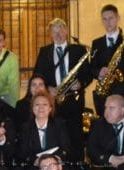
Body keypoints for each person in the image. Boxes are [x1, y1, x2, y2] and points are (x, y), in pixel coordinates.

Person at [33, 18, 92, 150]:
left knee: (75, 135)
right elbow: (38, 73)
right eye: (54, 31)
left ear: (66, 31)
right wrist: (48, 88)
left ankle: (76, 165)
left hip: (74, 99)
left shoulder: (78, 50)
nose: (58, 34)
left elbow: (88, 73)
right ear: (50, 34)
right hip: (53, 101)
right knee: (55, 134)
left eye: (60, 30)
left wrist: (81, 83)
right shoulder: (44, 51)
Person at [89, 4, 124, 116]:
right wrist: (99, 72)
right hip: (103, 94)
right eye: (105, 19)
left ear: (118, 18)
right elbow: (91, 67)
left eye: (111, 18)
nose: (108, 22)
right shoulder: (96, 43)